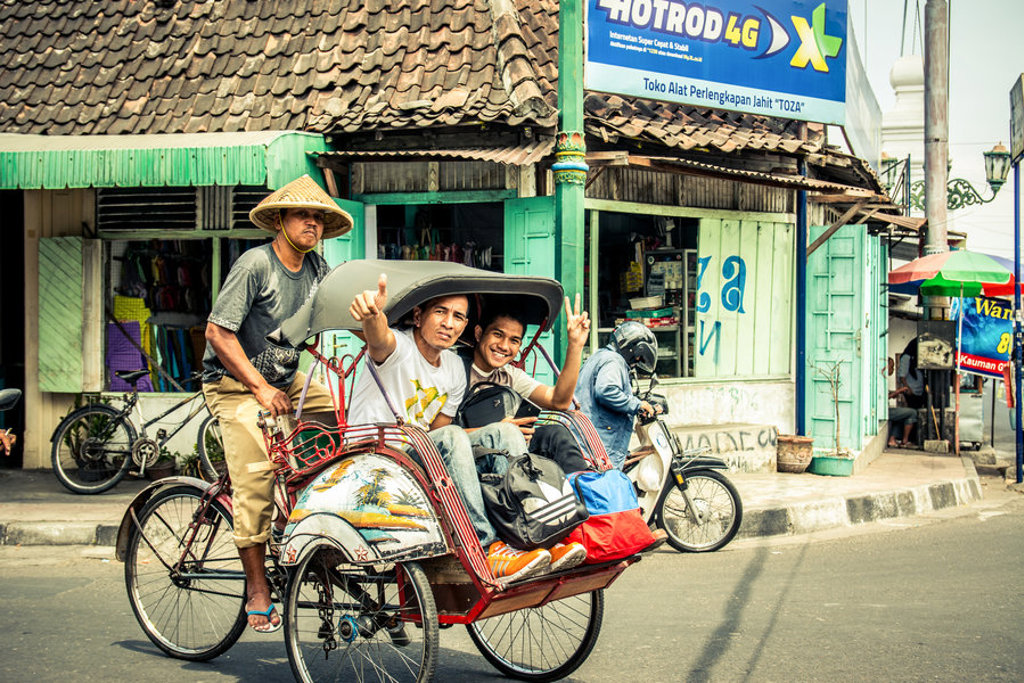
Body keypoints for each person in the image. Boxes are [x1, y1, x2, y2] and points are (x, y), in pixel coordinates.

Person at [201, 175, 353, 634]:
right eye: (303, 215)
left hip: (288, 380)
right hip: (234, 383)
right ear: (281, 221)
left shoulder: (317, 269)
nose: (313, 223)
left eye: (320, 218)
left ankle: (310, 522)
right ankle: (258, 586)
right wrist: (260, 389)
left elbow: (344, 313)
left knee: (344, 432)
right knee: (257, 476)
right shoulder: (255, 265)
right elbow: (217, 332)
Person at [346, 276, 554, 582]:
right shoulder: (399, 346)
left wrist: (493, 431)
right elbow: (379, 340)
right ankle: (486, 546)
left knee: (505, 433)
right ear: (418, 317)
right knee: (455, 435)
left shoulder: (455, 367)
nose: (449, 323)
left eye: (458, 316)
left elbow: (437, 432)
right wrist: (373, 317)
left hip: (417, 453)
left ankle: (525, 531)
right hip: (377, 454)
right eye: (440, 312)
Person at [576, 321, 658, 469]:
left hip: (587, 436)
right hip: (598, 441)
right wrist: (637, 404)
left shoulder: (600, 356)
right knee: (606, 484)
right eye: (639, 357)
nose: (637, 361)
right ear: (634, 348)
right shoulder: (614, 360)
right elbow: (606, 390)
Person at [889, 338, 925, 447]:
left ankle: (905, 439)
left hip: (918, 390)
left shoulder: (916, 358)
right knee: (912, 413)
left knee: (913, 413)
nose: (893, 369)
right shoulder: (906, 357)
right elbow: (902, 375)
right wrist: (906, 388)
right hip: (911, 391)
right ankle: (906, 439)